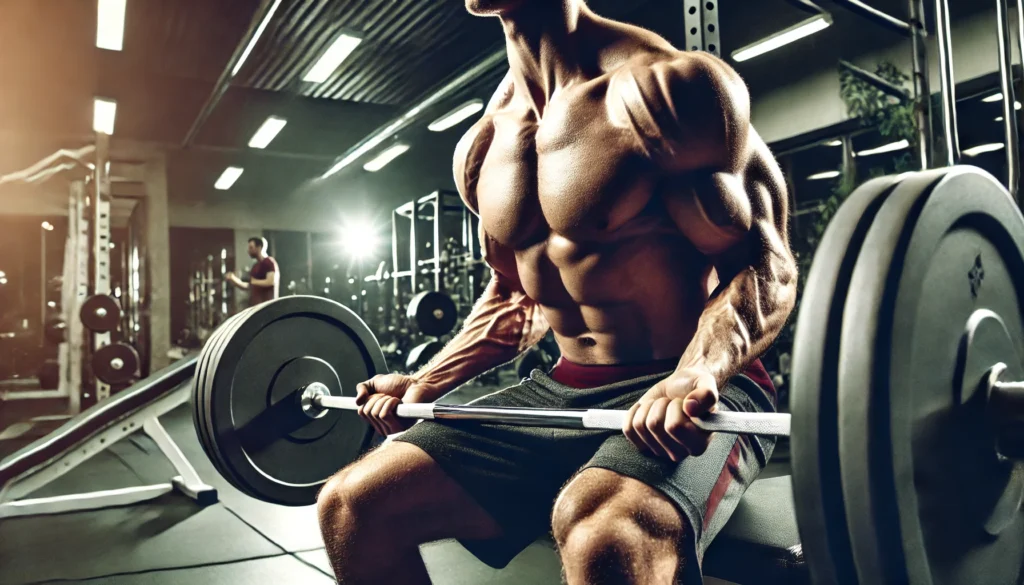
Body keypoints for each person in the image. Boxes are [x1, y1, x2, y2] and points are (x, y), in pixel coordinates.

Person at [317, 1, 797, 583]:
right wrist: (428, 381)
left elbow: (766, 266)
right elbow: (516, 297)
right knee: (350, 505)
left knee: (603, 536)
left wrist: (697, 372)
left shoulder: (666, 91)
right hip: (558, 388)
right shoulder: (485, 142)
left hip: (689, 393)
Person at [226, 237, 279, 307]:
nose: (248, 250)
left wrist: (254, 282)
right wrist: (233, 279)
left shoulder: (269, 262)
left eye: (251, 247)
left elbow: (271, 281)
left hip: (268, 308)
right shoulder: (255, 266)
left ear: (259, 247)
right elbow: (249, 286)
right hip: (256, 308)